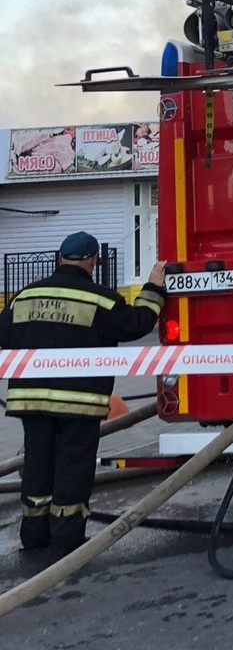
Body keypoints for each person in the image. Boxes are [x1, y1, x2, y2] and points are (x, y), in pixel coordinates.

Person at [0, 231, 167, 554]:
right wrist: (153, 289)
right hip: (78, 405)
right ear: (93, 261)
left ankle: (33, 536)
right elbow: (137, 323)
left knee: (37, 468)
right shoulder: (100, 299)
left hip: (31, 402)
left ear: (59, 259)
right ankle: (66, 540)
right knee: (72, 470)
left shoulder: (24, 297)